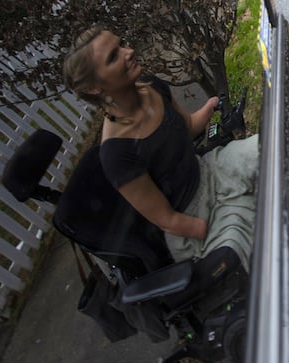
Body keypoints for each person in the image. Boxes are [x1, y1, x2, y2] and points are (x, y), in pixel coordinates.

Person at [63, 27, 258, 276]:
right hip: (192, 216)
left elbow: (187, 128)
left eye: (122, 43)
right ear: (93, 88)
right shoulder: (116, 153)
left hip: (209, 169)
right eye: (113, 56)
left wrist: (210, 107)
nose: (129, 51)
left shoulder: (152, 85)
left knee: (273, 153)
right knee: (255, 241)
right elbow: (168, 220)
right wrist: (222, 224)